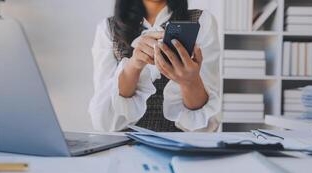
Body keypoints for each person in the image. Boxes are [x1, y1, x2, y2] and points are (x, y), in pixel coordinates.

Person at [89, 0, 220, 132]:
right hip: (126, 147)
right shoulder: (108, 28)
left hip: (181, 145)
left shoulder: (202, 22)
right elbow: (105, 122)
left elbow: (206, 127)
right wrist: (134, 66)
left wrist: (190, 82)